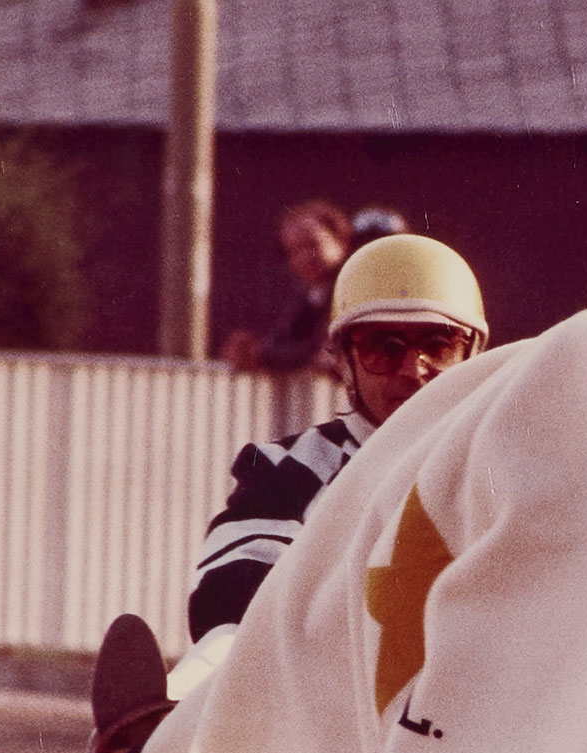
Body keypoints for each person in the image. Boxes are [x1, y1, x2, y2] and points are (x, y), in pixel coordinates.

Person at [177, 234, 490, 689]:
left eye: (438, 344)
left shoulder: (507, 465)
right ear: (343, 360)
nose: (413, 368)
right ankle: (149, 723)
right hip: (331, 708)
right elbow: (229, 600)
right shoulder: (285, 468)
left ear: (471, 353)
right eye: (384, 346)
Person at [218, 198, 352, 373]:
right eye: (294, 250)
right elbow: (291, 338)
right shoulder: (312, 296)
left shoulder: (350, 286)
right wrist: (253, 349)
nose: (305, 256)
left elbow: (320, 350)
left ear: (340, 240)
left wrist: (262, 355)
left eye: (312, 244)